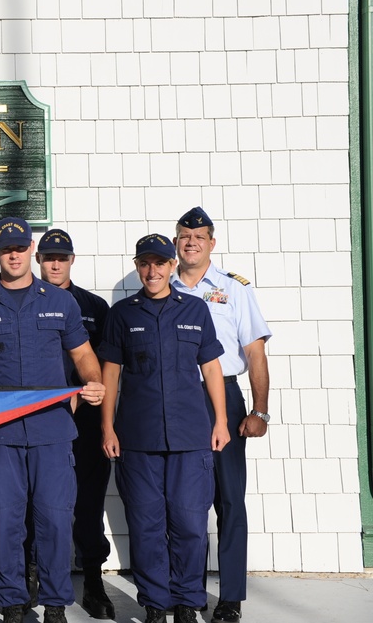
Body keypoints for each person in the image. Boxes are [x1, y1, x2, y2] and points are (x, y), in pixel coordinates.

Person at [0, 218, 105, 623]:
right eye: (6, 249)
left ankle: (55, 604)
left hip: (53, 433)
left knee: (55, 519)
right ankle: (12, 604)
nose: (14, 255)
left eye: (20, 247)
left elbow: (83, 356)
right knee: (5, 522)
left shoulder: (60, 302)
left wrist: (93, 381)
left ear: (30, 248)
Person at [100, 233, 230, 623]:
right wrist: (106, 427)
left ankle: (188, 600)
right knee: (146, 523)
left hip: (191, 436)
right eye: (145, 263)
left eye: (160, 263)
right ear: (138, 266)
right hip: (137, 438)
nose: (152, 270)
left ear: (173, 266)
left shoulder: (194, 310)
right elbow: (110, 374)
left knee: (190, 522)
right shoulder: (122, 314)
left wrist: (221, 421)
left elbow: (211, 368)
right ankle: (156, 603)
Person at [170, 207, 272, 623]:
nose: (191, 242)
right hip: (175, 401)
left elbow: (254, 351)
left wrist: (261, 409)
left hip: (224, 399)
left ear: (213, 243)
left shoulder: (235, 289)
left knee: (229, 500)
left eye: (199, 236)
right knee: (182, 502)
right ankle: (187, 593)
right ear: (176, 242)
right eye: (184, 235)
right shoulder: (163, 284)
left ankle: (230, 597)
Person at [33, 228, 114, 619]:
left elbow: (110, 371)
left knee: (88, 502)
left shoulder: (95, 307)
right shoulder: (25, 301)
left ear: (71, 261)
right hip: (40, 421)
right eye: (48, 256)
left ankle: (93, 578)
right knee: (38, 502)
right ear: (39, 260)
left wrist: (108, 423)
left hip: (86, 424)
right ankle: (35, 573)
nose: (54, 263)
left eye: (61, 257)